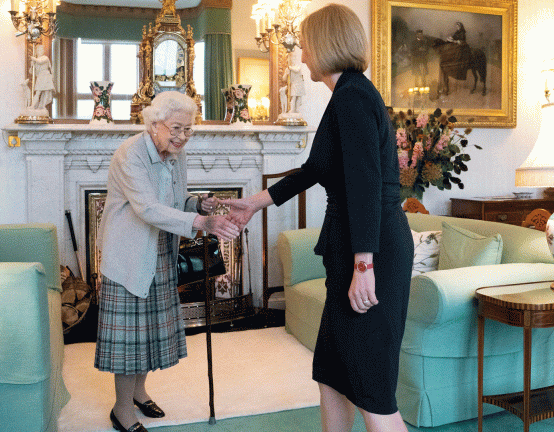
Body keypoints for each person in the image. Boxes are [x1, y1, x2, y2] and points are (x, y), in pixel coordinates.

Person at [224, 4, 413, 432]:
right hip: (353, 248)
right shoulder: (345, 95)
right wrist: (256, 201)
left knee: (371, 390)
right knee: (331, 375)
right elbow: (316, 169)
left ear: (326, 43)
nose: (302, 53)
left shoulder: (353, 97)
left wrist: (364, 265)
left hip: (371, 253)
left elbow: (365, 186)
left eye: (306, 43)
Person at [94, 91, 240, 432]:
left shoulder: (176, 154)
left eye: (188, 130)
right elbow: (147, 208)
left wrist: (196, 205)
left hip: (160, 251)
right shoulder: (130, 155)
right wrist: (203, 224)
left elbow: (174, 200)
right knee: (129, 340)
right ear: (154, 123)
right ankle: (121, 411)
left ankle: (139, 392)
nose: (182, 136)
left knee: (148, 335)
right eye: (176, 128)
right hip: (129, 256)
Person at [30, 45, 54, 110]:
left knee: (46, 91)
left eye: (41, 50)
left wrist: (34, 59)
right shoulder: (36, 60)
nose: (39, 51)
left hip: (46, 76)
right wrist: (32, 66)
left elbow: (40, 62)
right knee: (38, 92)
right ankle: (33, 106)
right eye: (38, 50)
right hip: (40, 76)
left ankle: (42, 106)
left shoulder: (45, 58)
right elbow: (31, 72)